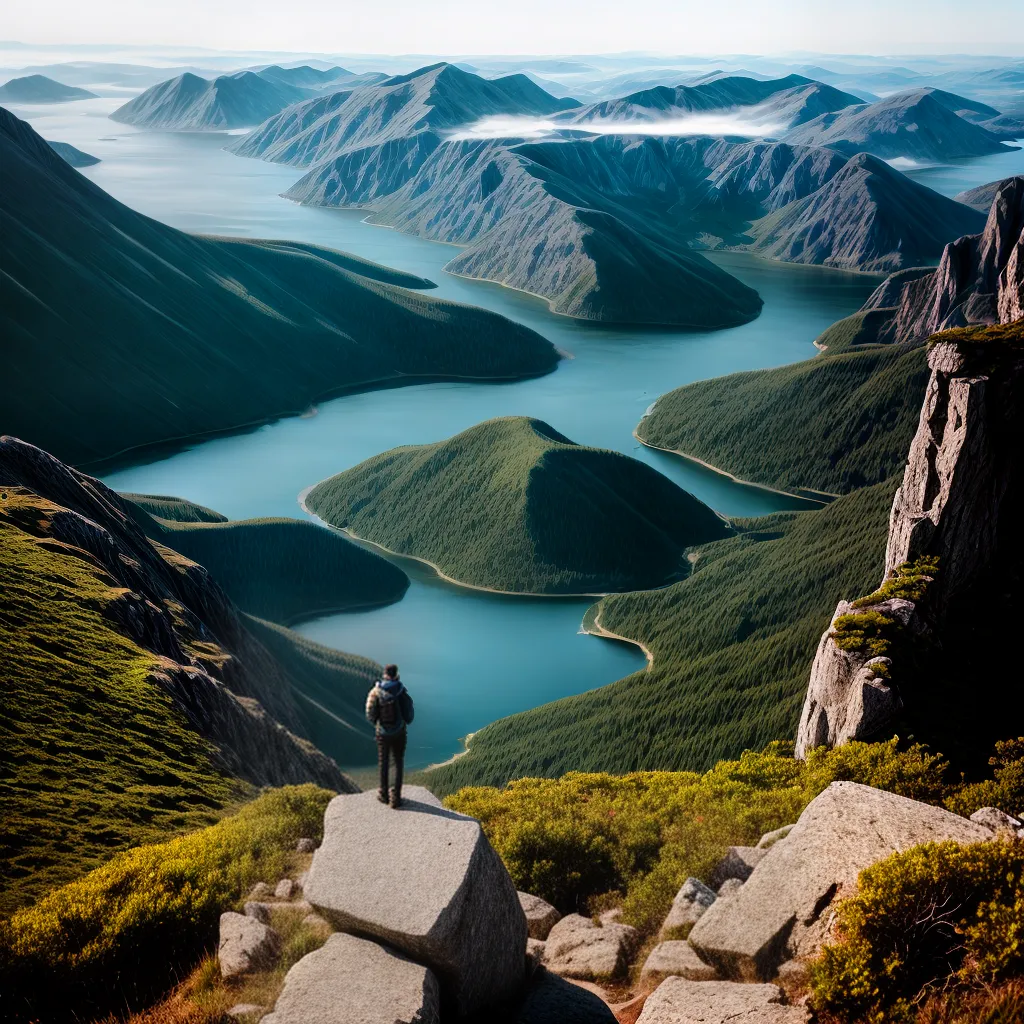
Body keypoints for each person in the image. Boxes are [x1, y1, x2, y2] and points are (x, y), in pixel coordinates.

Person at [365, 664, 414, 808]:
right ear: (396, 675)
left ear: (385, 674)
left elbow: (370, 713)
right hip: (399, 732)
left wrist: (378, 723)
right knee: (398, 763)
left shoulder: (376, 692)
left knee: (384, 762)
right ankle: (396, 798)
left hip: (383, 733)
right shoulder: (401, 690)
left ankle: (384, 795)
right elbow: (409, 715)